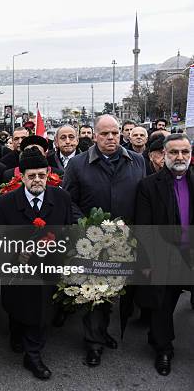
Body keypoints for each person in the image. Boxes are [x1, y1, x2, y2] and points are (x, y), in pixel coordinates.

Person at [62, 114, 146, 367]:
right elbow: (69, 201)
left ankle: (103, 331)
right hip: (92, 240)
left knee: (115, 291)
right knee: (94, 293)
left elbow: (143, 198)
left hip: (124, 240)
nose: (111, 138)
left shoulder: (137, 161)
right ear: (95, 135)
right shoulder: (77, 164)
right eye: (105, 133)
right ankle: (93, 342)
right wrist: (87, 226)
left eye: (115, 133)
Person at [0, 148, 73, 380]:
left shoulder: (61, 198)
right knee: (17, 308)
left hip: (48, 270)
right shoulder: (5, 203)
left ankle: (33, 356)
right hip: (16, 272)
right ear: (21, 177)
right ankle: (17, 334)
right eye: (32, 176)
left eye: (41, 175)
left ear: (48, 175)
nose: (37, 180)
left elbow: (69, 231)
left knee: (40, 313)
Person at [135, 133, 194, 376]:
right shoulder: (149, 185)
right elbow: (144, 229)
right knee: (163, 306)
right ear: (163, 155)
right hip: (164, 255)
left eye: (185, 152)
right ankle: (163, 349)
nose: (180, 157)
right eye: (174, 152)